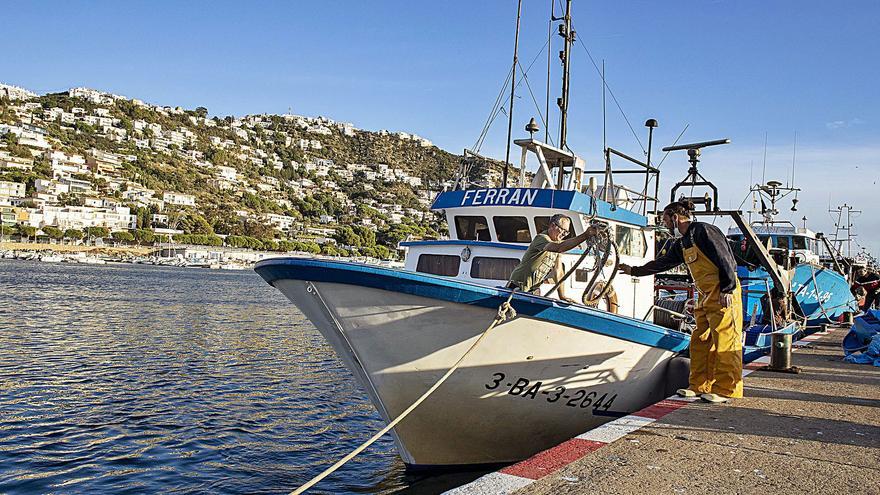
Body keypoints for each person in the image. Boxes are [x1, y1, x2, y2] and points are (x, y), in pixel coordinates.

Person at [619, 200, 743, 403]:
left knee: (725, 339)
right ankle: (699, 385)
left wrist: (728, 288)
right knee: (700, 340)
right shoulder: (683, 243)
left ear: (675, 217)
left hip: (722, 292)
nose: (665, 225)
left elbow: (725, 258)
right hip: (705, 295)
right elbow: (663, 263)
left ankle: (726, 389)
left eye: (666, 220)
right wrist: (634, 271)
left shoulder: (703, 231)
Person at [507, 213, 599, 302]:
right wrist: (585, 235)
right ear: (552, 225)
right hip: (517, 288)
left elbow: (558, 272)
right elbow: (559, 248)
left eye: (566, 232)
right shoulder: (541, 238)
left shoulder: (557, 245)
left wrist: (562, 296)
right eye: (562, 230)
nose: (564, 234)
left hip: (533, 290)